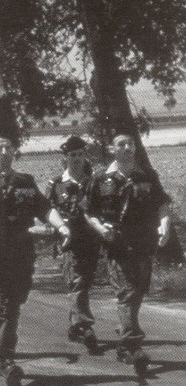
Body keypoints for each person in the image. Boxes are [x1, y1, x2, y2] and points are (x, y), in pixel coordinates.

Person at [0, 135, 71, 386]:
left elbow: (44, 208)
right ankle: (5, 361)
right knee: (3, 309)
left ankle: (4, 354)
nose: (4, 152)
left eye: (8, 148)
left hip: (21, 255)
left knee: (14, 305)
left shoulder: (25, 181)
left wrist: (61, 226)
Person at [83, 133, 171, 379]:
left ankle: (124, 341)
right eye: (121, 144)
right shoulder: (101, 178)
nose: (128, 148)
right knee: (126, 292)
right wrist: (101, 229)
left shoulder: (147, 176)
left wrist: (164, 224)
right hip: (117, 244)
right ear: (112, 149)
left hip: (144, 244)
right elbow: (88, 211)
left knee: (139, 290)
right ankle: (133, 345)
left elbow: (162, 203)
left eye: (131, 144)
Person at [45, 136, 100, 354]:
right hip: (69, 240)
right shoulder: (56, 184)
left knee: (82, 281)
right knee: (77, 280)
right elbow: (48, 211)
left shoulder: (93, 183)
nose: (76, 159)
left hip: (91, 238)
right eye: (72, 155)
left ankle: (74, 326)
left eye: (80, 154)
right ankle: (85, 326)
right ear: (65, 157)